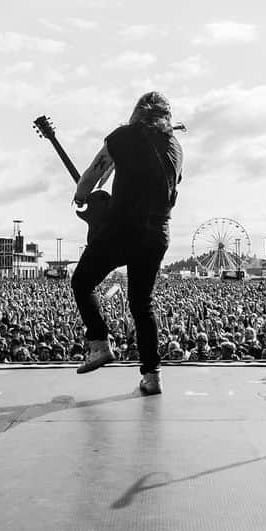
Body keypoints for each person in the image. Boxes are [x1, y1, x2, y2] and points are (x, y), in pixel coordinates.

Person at [70, 91, 183, 395]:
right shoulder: (175, 146)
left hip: (122, 229)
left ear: (136, 113)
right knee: (141, 304)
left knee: (82, 282)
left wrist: (82, 197)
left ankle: (99, 344)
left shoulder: (122, 137)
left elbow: (94, 173)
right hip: (157, 233)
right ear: (166, 117)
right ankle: (152, 375)